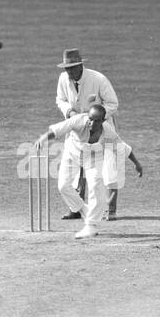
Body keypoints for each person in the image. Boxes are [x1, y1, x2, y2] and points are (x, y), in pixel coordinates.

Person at [38, 104, 141, 239]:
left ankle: (91, 226)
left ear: (103, 121)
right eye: (90, 119)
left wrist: (137, 164)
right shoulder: (78, 121)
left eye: (96, 120)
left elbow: (122, 147)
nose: (92, 123)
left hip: (93, 158)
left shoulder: (108, 131)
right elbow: (58, 130)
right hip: (71, 154)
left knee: (96, 186)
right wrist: (43, 139)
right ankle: (86, 212)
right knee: (63, 186)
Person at [53, 48, 120, 219]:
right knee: (76, 167)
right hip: (76, 129)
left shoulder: (98, 79)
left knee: (106, 168)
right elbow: (60, 99)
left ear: (81, 65)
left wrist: (95, 117)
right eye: (67, 68)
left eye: (73, 68)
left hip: (100, 129)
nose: (69, 72)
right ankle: (77, 209)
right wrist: (70, 113)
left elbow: (113, 103)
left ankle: (109, 210)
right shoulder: (63, 79)